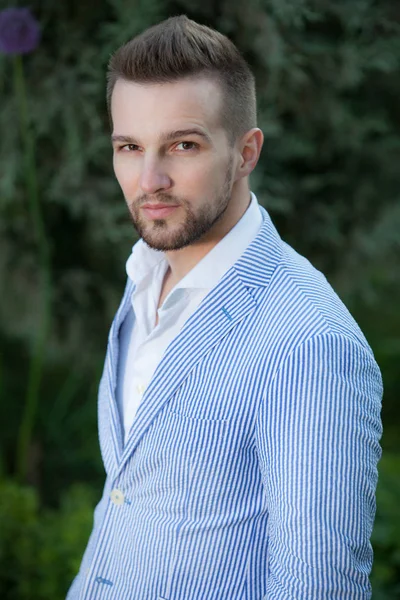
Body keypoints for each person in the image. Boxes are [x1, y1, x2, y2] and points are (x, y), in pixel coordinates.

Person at [67, 15, 383, 600]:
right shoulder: (147, 274)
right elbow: (129, 497)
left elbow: (319, 586)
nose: (149, 179)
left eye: (182, 145)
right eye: (129, 147)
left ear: (247, 152)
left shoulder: (309, 344)